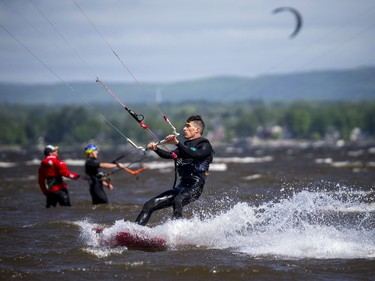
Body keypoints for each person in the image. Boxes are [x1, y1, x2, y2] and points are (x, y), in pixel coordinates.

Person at [135, 115, 214, 226]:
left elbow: (195, 155)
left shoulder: (205, 145)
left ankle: (177, 231)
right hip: (180, 186)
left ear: (197, 129)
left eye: (188, 126)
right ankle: (134, 231)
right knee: (149, 204)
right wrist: (156, 149)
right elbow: (170, 155)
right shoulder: (185, 145)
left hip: (194, 186)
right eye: (185, 126)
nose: (184, 129)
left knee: (178, 200)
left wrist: (177, 143)